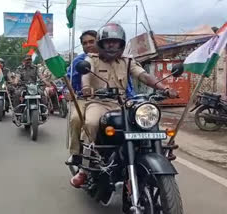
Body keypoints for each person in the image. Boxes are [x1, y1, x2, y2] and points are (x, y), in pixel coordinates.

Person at [70, 23, 178, 188]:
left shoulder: (128, 61)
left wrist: (164, 88)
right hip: (99, 102)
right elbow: (85, 75)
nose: (112, 45)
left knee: (146, 122)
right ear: (102, 43)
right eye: (108, 42)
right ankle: (84, 169)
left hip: (123, 103)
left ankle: (151, 157)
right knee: (91, 123)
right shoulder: (92, 59)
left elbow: (144, 76)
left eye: (116, 42)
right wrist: (86, 88)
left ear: (121, 44)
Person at [67, 30, 98, 163]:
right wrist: (69, 91)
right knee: (76, 119)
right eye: (85, 43)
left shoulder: (111, 58)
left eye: (92, 41)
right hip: (83, 99)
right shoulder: (78, 61)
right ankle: (77, 153)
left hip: (110, 100)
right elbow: (69, 81)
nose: (88, 45)